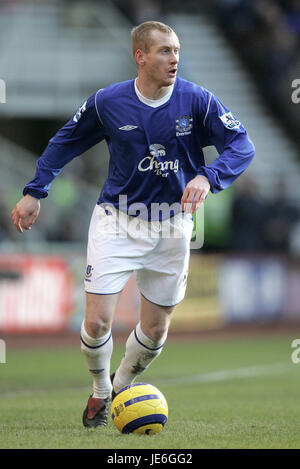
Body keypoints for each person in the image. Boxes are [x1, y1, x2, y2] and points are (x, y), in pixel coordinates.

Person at [11, 21, 255, 429]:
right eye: (163, 51)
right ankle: (101, 392)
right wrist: (35, 191)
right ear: (140, 56)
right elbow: (66, 140)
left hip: (174, 226)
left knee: (156, 332)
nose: (174, 58)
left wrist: (208, 176)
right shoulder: (109, 102)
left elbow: (241, 144)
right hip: (117, 220)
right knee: (96, 322)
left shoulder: (197, 100)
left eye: (176, 50)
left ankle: (121, 383)